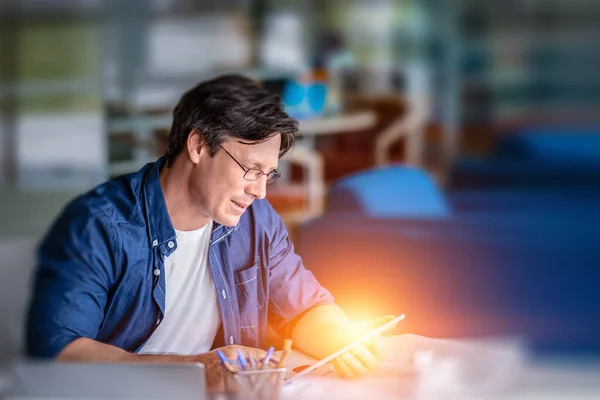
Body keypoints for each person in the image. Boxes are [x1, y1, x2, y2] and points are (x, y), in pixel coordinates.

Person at [26, 74, 395, 386]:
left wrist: (344, 339)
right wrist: (199, 369)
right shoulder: (98, 224)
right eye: (250, 169)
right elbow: (58, 354)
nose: (261, 191)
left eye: (269, 175)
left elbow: (305, 309)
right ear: (199, 145)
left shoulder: (257, 220)